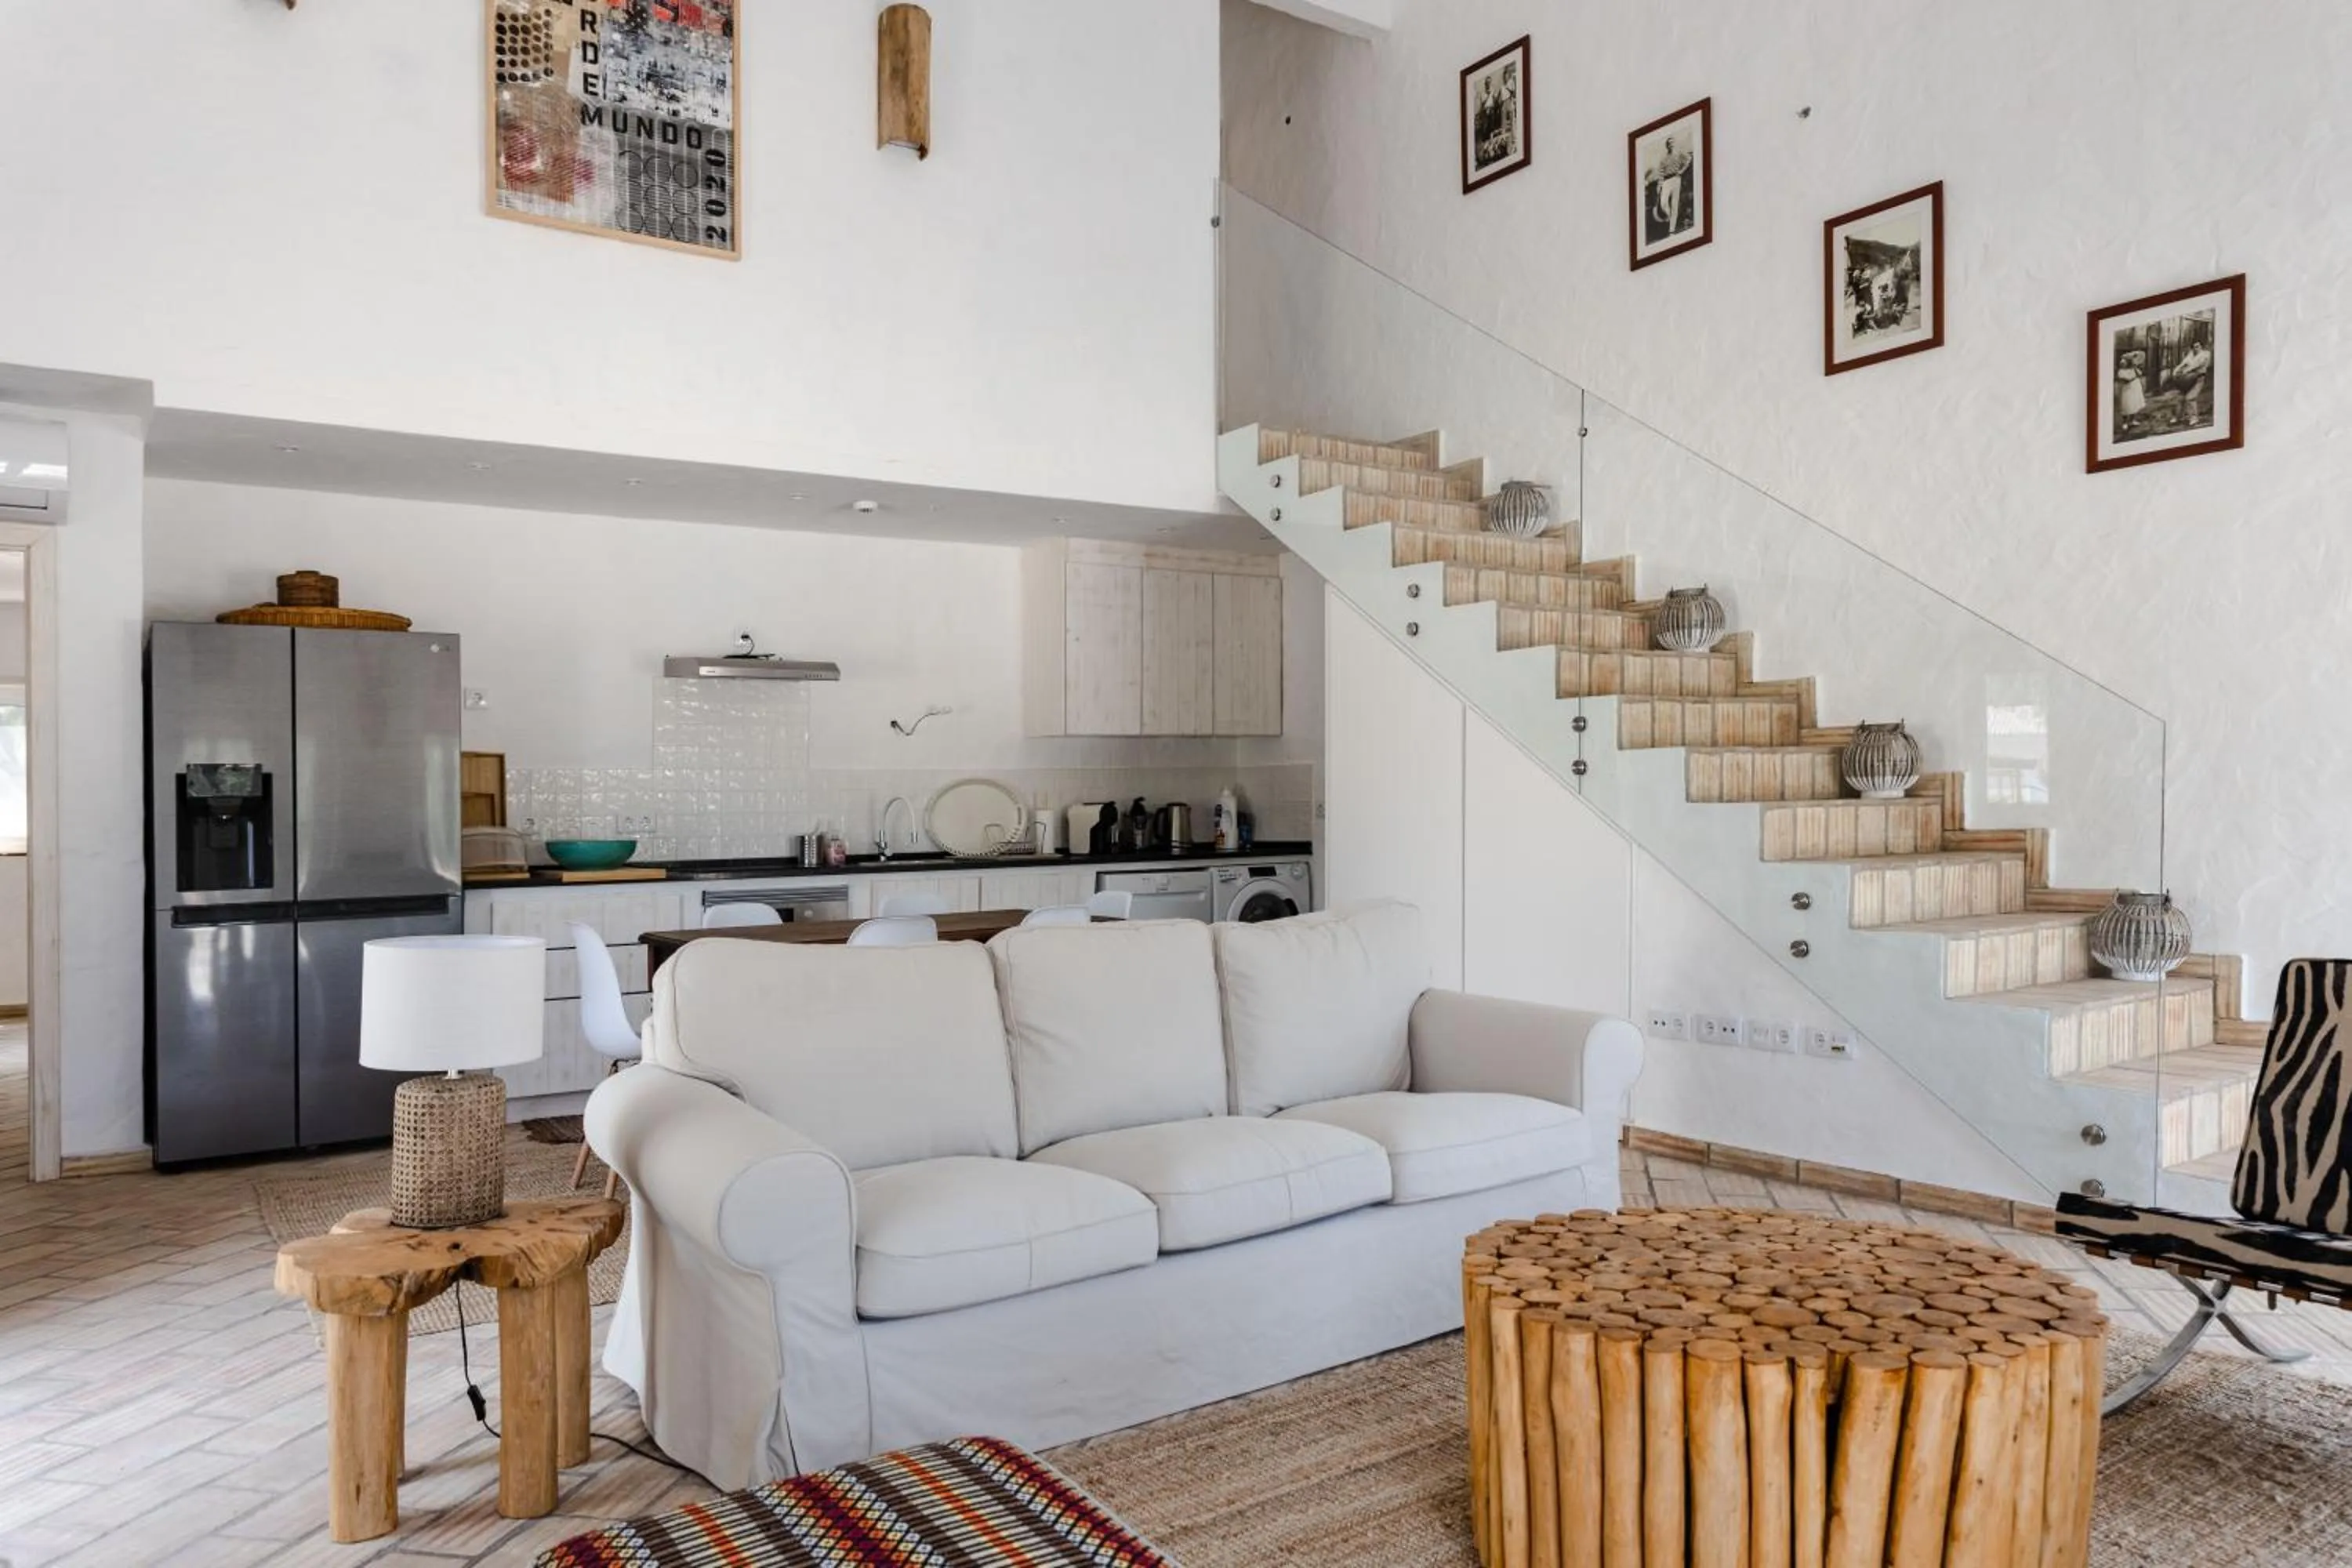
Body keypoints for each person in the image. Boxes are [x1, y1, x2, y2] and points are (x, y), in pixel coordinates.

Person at [2115, 348, 2147, 430]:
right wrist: (2132, 377)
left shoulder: (2133, 369)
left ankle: (2132, 420)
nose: (2123, 364)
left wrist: (2135, 367)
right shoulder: (2121, 371)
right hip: (2127, 389)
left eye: (2125, 363)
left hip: (2135, 387)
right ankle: (2125, 422)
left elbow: (2140, 374)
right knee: (2127, 405)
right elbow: (2125, 380)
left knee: (2134, 404)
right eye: (2122, 363)